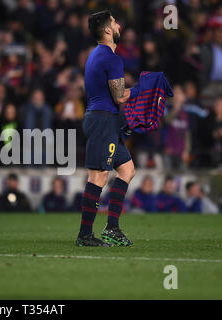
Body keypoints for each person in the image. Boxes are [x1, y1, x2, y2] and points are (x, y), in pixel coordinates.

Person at [76, 11, 136, 247]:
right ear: (108, 30)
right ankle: (85, 235)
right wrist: (143, 89)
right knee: (98, 175)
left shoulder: (95, 55)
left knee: (127, 169)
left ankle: (112, 228)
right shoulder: (112, 58)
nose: (119, 24)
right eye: (114, 21)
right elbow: (120, 96)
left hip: (104, 120)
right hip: (102, 121)